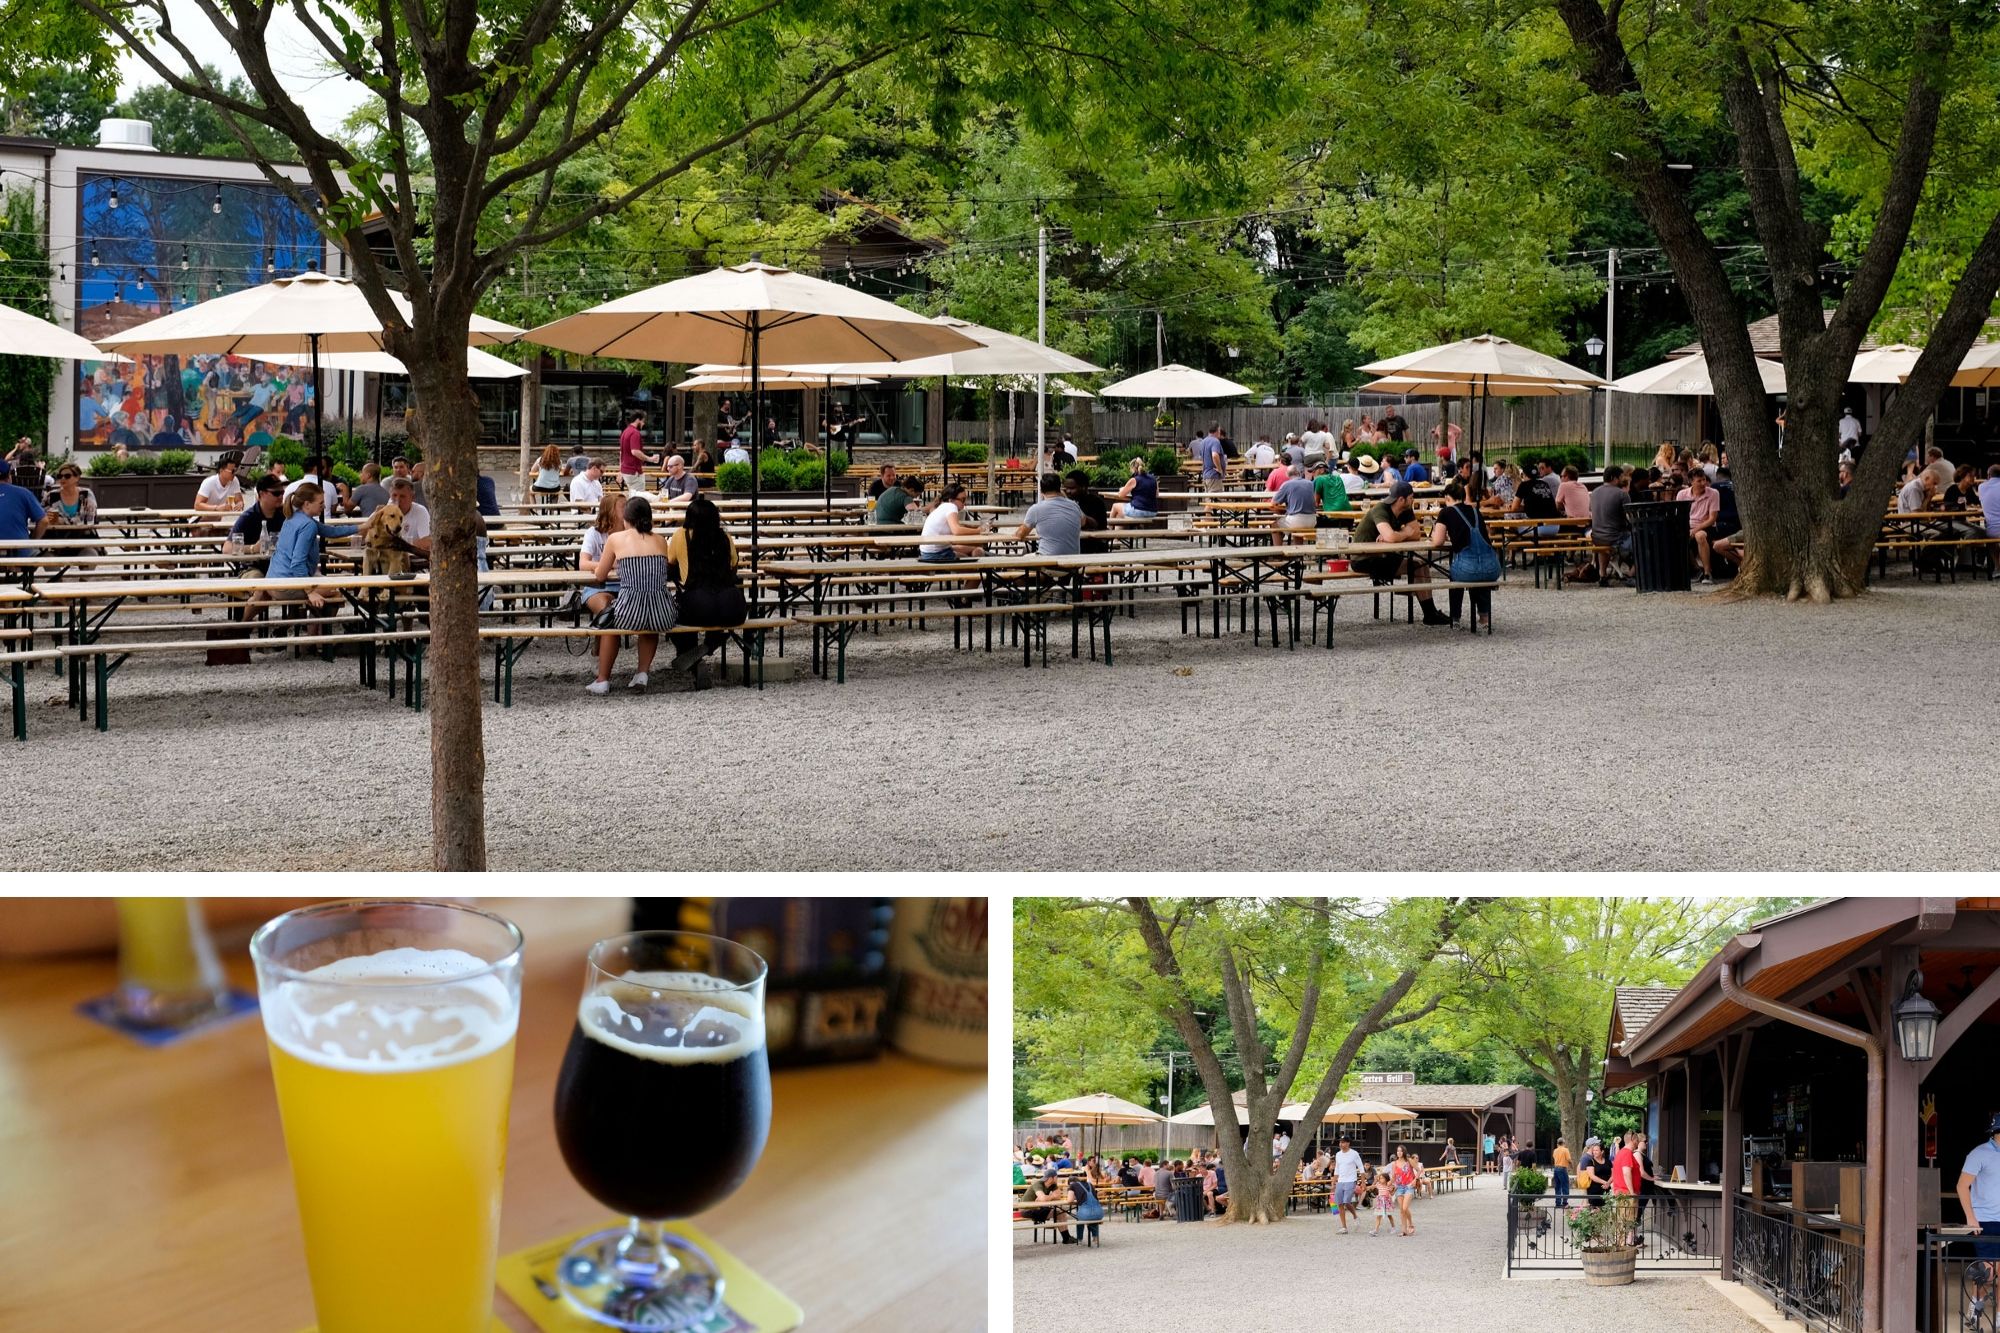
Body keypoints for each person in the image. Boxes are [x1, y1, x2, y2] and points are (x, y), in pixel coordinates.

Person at [587, 495, 676, 694]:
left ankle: (602, 680)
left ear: (626, 518)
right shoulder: (661, 541)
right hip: (663, 612)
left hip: (630, 611)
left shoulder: (615, 539)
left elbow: (600, 575)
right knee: (649, 619)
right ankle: (642, 673)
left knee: (610, 620)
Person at [665, 492, 746, 680]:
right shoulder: (725, 537)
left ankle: (690, 655)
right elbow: (734, 565)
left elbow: (670, 562)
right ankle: (711, 643)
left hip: (699, 603)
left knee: (672, 615)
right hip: (732, 606)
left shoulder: (681, 536)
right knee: (716, 615)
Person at [1353, 481, 1450, 625]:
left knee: (1421, 564)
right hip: (1364, 558)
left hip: (1384, 556)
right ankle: (1429, 613)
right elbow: (1392, 537)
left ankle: (1430, 613)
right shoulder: (1380, 509)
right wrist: (1401, 533)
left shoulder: (1405, 509)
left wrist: (1397, 534)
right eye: (1411, 497)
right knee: (1417, 566)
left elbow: (1415, 533)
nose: (1413, 500)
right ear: (1401, 499)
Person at [254, 482, 359, 612]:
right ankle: (318, 631)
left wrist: (362, 527)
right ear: (307, 504)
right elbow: (297, 563)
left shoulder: (293, 517)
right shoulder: (308, 525)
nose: (325, 506)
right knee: (334, 592)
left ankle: (245, 626)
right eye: (321, 503)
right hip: (286, 586)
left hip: (273, 580)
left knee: (322, 586)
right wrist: (310, 591)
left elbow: (331, 532)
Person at [1430, 477, 1497, 629]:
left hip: (1467, 569)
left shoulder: (1446, 512)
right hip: (1491, 567)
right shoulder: (1475, 510)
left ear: (1447, 498)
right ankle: (1485, 617)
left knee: (1455, 575)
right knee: (1480, 573)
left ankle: (1455, 618)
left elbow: (1437, 541)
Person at [1955, 1111, 2000, 1317]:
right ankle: (1976, 1304)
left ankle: (1999, 1315)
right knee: (1988, 1271)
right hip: (1986, 1220)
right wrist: (1971, 1217)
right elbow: (1962, 1186)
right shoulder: (1979, 1153)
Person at [578, 493, 625, 621]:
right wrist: (608, 564)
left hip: (626, 586)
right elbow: (583, 564)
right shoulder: (594, 533)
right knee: (607, 612)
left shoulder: (630, 532)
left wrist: (604, 566)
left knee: (609, 617)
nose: (628, 510)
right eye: (623, 507)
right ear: (611, 512)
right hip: (597, 586)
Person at [1016, 472, 1083, 556]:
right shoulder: (1074, 506)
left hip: (1048, 559)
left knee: (1023, 556)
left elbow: (1020, 535)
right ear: (1060, 488)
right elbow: (1083, 521)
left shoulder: (1036, 509)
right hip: (1073, 561)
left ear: (1041, 490)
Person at [1588, 464, 1634, 583]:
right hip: (1616, 537)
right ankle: (1632, 572)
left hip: (1596, 537)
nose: (1622, 480)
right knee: (1642, 540)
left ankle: (1602, 574)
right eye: (1621, 477)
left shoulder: (1594, 493)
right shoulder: (1622, 494)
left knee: (1604, 544)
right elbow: (1630, 517)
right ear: (1614, 478)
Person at [919, 481, 984, 561]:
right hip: (935, 553)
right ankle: (976, 569)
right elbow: (956, 530)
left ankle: (976, 569)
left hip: (929, 551)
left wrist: (972, 529)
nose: (964, 503)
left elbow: (954, 528)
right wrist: (979, 531)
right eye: (962, 500)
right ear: (951, 500)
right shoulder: (951, 506)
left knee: (977, 550)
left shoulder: (941, 506)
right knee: (972, 556)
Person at [225, 473, 288, 555]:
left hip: (280, 564)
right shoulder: (249, 517)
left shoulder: (286, 514)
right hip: (253, 565)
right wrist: (253, 548)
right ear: (262, 494)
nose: (280, 496)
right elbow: (227, 548)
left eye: (282, 493)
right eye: (276, 493)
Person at [1677, 469, 1721, 583]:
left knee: (1700, 536)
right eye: (1699, 481)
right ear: (1691, 482)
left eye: (1704, 480)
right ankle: (1696, 569)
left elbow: (1712, 519)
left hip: (1706, 526)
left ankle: (1707, 573)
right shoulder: (1682, 494)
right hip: (1687, 526)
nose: (1703, 483)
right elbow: (1679, 516)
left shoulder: (1713, 493)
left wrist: (1695, 529)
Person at [0, 459, 50, 551]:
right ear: (9, 476)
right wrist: (32, 542)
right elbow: (44, 521)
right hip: (19, 552)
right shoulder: (23, 493)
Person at [43, 464, 98, 538]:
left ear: (77, 478)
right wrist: (47, 518)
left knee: (90, 550)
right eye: (60, 476)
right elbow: (41, 516)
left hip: (83, 538)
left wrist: (62, 522)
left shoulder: (86, 494)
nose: (62, 478)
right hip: (57, 538)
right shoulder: (51, 496)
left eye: (67, 476)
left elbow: (90, 520)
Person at [386, 478, 433, 558]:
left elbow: (427, 541)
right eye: (394, 495)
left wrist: (403, 545)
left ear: (412, 497)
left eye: (402, 496)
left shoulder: (420, 511)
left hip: (413, 558)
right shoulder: (386, 510)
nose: (397, 500)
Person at [1270, 465, 1318, 544]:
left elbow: (1273, 503)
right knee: (1296, 529)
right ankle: (1298, 552)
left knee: (1274, 526)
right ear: (1299, 473)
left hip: (1296, 520)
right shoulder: (1310, 483)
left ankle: (1277, 552)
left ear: (1287, 475)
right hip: (1312, 520)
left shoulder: (1286, 484)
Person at [1111, 457, 1159, 521]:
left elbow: (1121, 495)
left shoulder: (1134, 480)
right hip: (1153, 512)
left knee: (1115, 506)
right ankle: (1118, 531)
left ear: (1133, 468)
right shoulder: (1154, 479)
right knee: (1119, 515)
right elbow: (1156, 495)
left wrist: (1122, 489)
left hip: (1138, 510)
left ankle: (1108, 528)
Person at [617, 411, 657, 489]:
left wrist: (620, 470)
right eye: (643, 421)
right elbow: (635, 451)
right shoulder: (635, 433)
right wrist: (650, 459)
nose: (643, 424)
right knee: (639, 496)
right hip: (634, 471)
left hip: (626, 471)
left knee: (633, 495)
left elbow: (621, 453)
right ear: (638, 420)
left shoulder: (625, 432)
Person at [1310, 459, 1349, 526]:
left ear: (1321, 470)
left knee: (1312, 523)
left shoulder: (1319, 479)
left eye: (1313, 472)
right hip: (1349, 517)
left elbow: (1316, 504)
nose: (1312, 475)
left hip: (1333, 519)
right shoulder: (1338, 478)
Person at [1194, 426, 1227, 493]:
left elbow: (1201, 457)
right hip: (1214, 476)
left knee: (1208, 500)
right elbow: (1214, 455)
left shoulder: (1203, 442)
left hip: (1206, 475)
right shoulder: (1215, 441)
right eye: (1219, 431)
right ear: (1217, 431)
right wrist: (1220, 469)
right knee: (1216, 500)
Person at [1551, 1137, 1573, 1211]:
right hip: (1562, 1169)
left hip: (1556, 1169)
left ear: (1557, 1144)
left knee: (1557, 1186)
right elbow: (1569, 1159)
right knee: (1565, 1186)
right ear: (1563, 1143)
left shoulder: (1555, 1150)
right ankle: (1565, 1203)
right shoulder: (1565, 1150)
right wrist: (1571, 1165)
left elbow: (1554, 1158)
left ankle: (1558, 1203)